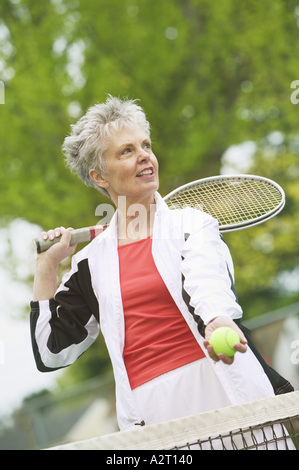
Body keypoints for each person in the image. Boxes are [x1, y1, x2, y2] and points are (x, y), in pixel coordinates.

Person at [30, 95, 293, 433]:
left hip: (227, 393)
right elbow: (50, 351)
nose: (144, 156)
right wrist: (46, 268)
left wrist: (218, 321)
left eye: (145, 145)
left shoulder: (192, 224)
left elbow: (207, 280)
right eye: (126, 151)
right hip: (154, 421)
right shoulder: (89, 264)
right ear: (100, 176)